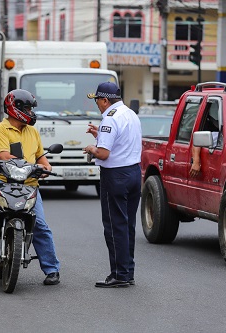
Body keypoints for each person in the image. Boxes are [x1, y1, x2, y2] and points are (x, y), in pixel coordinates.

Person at [0, 89, 61, 286]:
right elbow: (4, 156)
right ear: (15, 109)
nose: (31, 112)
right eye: (28, 108)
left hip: (29, 184)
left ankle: (52, 269)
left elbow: (40, 156)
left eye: (31, 108)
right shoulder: (0, 130)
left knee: (40, 225)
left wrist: (46, 166)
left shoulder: (32, 132)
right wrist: (31, 165)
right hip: (2, 180)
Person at [83, 82, 142, 288]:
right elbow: (122, 142)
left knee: (114, 225)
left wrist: (92, 147)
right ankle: (128, 271)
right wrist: (100, 135)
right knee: (128, 225)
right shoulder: (130, 114)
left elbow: (104, 153)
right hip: (134, 172)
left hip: (115, 176)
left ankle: (119, 274)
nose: (97, 105)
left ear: (105, 100)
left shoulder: (109, 118)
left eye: (97, 100)